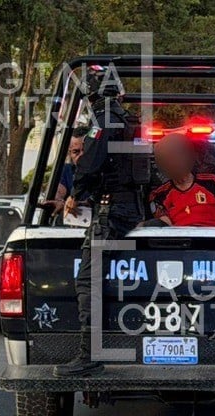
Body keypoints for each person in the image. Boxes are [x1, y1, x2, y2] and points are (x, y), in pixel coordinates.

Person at [54, 72, 149, 377]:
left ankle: (89, 354)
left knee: (88, 281)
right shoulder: (132, 122)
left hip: (111, 210)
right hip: (131, 207)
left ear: (92, 97)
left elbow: (90, 165)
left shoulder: (103, 121)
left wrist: (78, 192)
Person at [148, 133, 215, 227]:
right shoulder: (159, 194)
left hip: (213, 235)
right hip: (183, 238)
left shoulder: (213, 181)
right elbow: (164, 224)